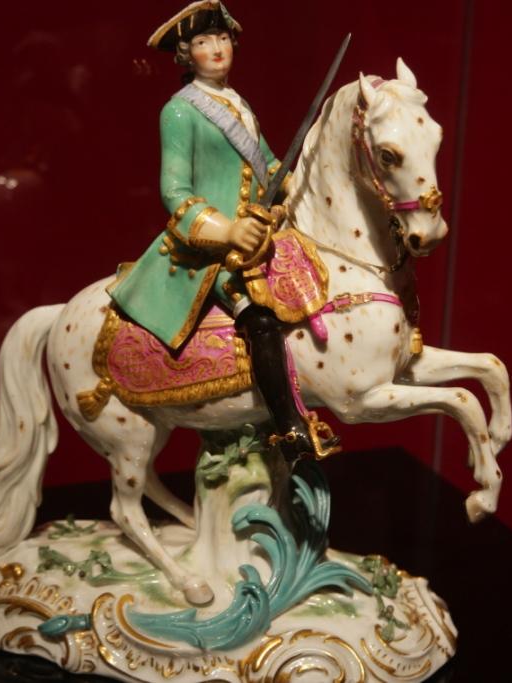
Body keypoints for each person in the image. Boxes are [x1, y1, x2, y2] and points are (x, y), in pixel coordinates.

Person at [108, 1, 334, 462]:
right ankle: (289, 430)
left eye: (223, 38)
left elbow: (265, 163)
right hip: (210, 252)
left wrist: (298, 185)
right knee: (260, 316)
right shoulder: (180, 111)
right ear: (185, 54)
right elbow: (175, 193)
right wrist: (228, 232)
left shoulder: (239, 103)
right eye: (203, 41)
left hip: (258, 235)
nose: (216, 48)